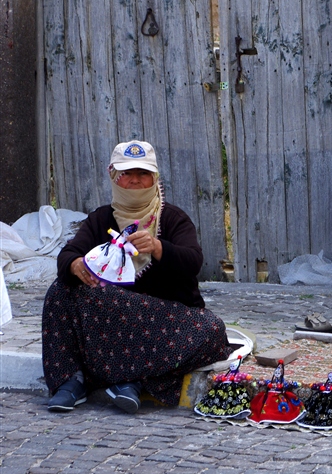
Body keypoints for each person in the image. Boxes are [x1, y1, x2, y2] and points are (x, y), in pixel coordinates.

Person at [42, 140, 230, 414]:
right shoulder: (101, 219)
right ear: (113, 176)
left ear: (154, 179)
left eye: (143, 174)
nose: (134, 181)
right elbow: (68, 254)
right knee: (61, 290)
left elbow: (193, 261)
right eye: (127, 174)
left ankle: (128, 380)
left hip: (162, 319)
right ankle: (71, 380)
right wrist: (75, 264)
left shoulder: (173, 218)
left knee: (212, 330)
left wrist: (158, 247)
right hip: (111, 322)